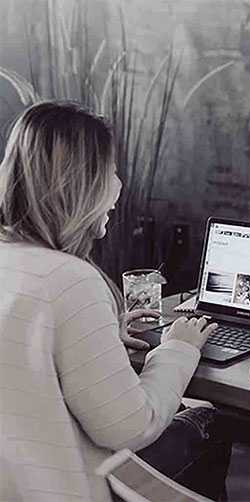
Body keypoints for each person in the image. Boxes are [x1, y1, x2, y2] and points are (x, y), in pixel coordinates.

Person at [0, 101, 230, 501]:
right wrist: (177, 348)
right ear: (83, 183)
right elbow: (129, 427)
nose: (119, 186)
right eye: (110, 172)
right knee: (206, 420)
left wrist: (102, 337)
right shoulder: (71, 280)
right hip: (64, 485)